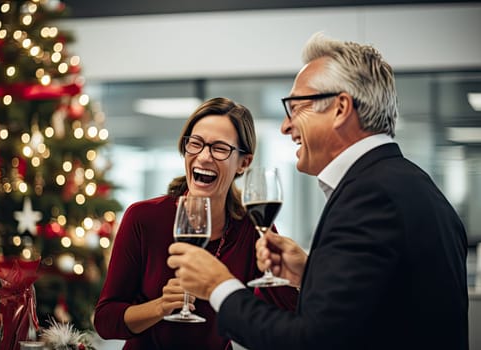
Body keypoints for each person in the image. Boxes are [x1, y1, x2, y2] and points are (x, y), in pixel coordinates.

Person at [167, 32, 469, 350]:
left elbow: (310, 340)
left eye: (296, 107)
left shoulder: (370, 198)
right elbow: (381, 313)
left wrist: (218, 286)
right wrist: (310, 273)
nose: (286, 126)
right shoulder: (412, 185)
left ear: (340, 108)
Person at [93, 97, 297, 350]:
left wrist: (298, 274)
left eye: (220, 148)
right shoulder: (143, 218)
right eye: (195, 144)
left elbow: (285, 319)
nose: (203, 157)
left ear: (244, 163)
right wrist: (160, 307)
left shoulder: (251, 228)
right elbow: (105, 321)